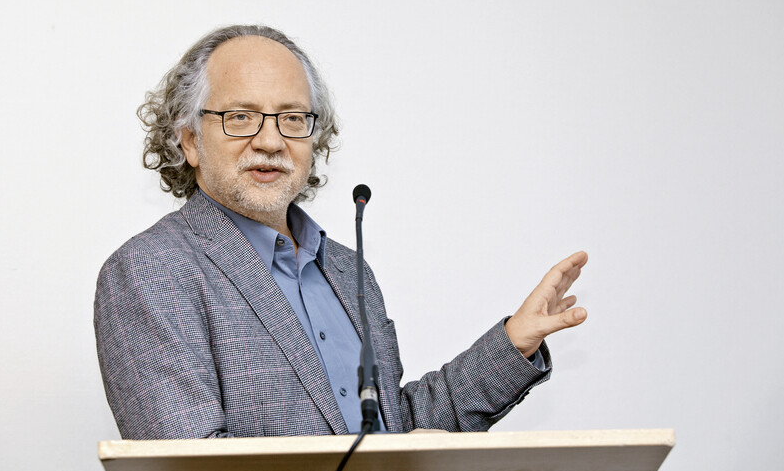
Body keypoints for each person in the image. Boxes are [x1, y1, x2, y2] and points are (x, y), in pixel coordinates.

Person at [94, 24, 588, 439]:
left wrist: (513, 343)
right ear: (189, 140)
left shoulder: (348, 270)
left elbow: (392, 432)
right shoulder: (149, 271)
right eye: (241, 117)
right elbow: (188, 466)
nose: (271, 141)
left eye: (292, 118)